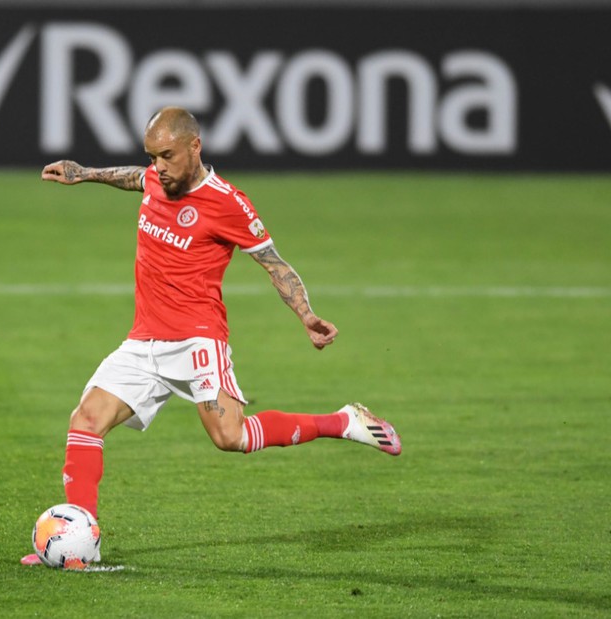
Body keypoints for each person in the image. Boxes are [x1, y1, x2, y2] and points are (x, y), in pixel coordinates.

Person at [21, 107, 400, 566]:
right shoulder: (159, 180)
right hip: (143, 342)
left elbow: (275, 264)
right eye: (153, 157)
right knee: (85, 421)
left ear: (194, 147)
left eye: (167, 156)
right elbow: (133, 177)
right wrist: (85, 174)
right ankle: (79, 543)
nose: (158, 167)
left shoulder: (228, 203)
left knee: (230, 437)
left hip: (198, 341)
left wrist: (306, 314)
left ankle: (342, 421)